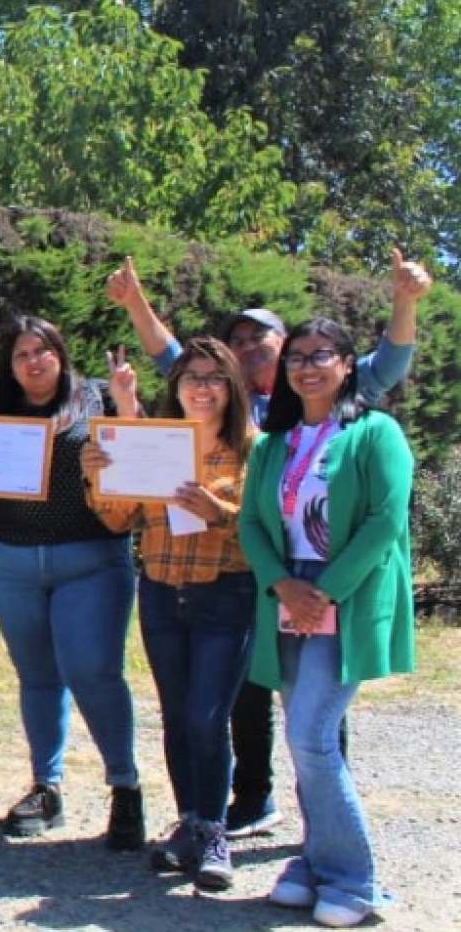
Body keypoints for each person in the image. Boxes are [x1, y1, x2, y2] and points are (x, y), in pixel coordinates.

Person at [104, 250, 431, 837]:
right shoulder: (226, 399)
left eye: (265, 337)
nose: (251, 347)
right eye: (240, 340)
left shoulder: (339, 407)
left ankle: (327, 828)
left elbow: (392, 358)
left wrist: (405, 301)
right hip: (254, 580)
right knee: (245, 700)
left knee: (315, 716)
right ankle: (252, 800)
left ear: (295, 347)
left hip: (320, 582)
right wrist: (135, 303)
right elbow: (172, 357)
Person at [239, 318, 414, 929]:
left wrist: (325, 592)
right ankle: (314, 864)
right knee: (302, 737)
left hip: (346, 593)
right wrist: (285, 584)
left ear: (347, 365)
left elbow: (385, 521)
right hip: (285, 592)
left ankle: (354, 880)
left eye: (322, 356)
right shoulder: (272, 443)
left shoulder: (376, 433)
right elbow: (251, 526)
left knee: (312, 737)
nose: (307, 367)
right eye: (296, 358)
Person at [0, 316, 141, 850]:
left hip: (91, 559)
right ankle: (46, 786)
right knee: (36, 677)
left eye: (42, 351)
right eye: (21, 354)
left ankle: (125, 787)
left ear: (60, 353)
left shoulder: (98, 399)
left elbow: (143, 455)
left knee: (93, 673)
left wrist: (127, 405)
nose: (33, 362)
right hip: (12, 563)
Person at [82, 336, 256, 891]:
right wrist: (98, 474)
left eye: (214, 378)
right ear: (175, 386)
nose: (202, 388)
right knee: (178, 717)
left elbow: (267, 529)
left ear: (231, 387)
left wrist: (221, 510)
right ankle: (191, 824)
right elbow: (117, 521)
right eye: (191, 377)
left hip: (225, 594)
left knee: (208, 716)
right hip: (160, 592)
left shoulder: (255, 446)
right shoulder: (154, 440)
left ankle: (214, 831)